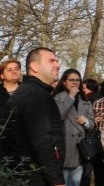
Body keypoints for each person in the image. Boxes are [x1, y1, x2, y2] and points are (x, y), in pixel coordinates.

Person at [0, 47, 65, 186]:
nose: (57, 65)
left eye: (57, 61)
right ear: (34, 66)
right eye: (51, 61)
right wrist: (56, 180)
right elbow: (42, 143)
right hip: (34, 178)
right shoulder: (35, 96)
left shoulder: (29, 92)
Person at [51, 69, 96, 186]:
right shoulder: (57, 98)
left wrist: (87, 122)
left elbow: (93, 124)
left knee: (76, 183)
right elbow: (59, 116)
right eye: (71, 80)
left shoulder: (85, 99)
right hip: (65, 149)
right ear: (64, 82)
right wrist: (71, 96)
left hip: (81, 150)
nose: (75, 82)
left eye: (77, 80)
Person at [79, 77, 101, 186]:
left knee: (85, 170)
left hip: (88, 138)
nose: (81, 89)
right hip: (92, 140)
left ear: (90, 89)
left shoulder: (90, 99)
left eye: (83, 87)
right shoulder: (99, 98)